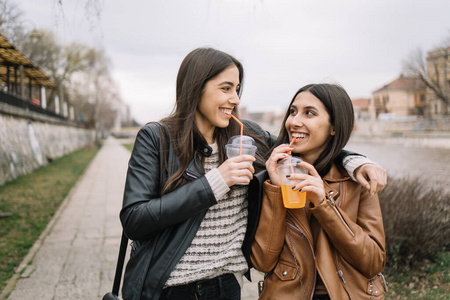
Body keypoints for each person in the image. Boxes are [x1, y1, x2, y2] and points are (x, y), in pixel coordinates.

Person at [119, 48, 386, 300]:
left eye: (237, 89)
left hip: (226, 286)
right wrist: (216, 181)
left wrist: (356, 162)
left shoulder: (246, 135)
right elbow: (134, 220)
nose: (235, 99)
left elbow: (302, 145)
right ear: (195, 87)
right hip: (168, 288)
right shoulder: (156, 138)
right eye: (225, 88)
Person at [250, 83, 387, 300]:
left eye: (309, 113)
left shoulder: (357, 180)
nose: (294, 122)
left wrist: (324, 205)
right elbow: (262, 262)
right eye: (293, 111)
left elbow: (373, 262)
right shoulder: (271, 176)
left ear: (334, 127)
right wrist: (276, 190)